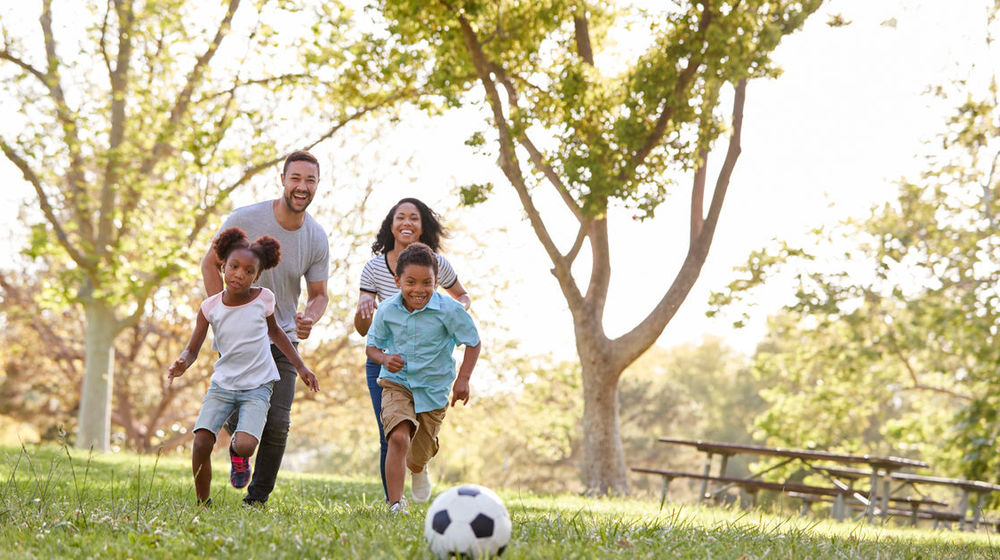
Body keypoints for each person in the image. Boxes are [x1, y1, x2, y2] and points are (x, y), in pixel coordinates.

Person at [201, 150, 330, 507]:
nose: (302, 186)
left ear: (317, 185)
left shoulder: (316, 237)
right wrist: (222, 313)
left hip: (282, 335)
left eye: (310, 180)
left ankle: (256, 499)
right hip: (239, 338)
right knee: (235, 413)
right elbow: (210, 264)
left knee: (278, 422)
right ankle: (239, 448)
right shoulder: (245, 218)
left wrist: (310, 317)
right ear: (283, 180)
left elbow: (320, 295)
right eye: (296, 178)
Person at [169, 228, 320, 506]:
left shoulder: (264, 299)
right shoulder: (210, 307)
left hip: (257, 387)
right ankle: (203, 503)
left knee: (246, 445)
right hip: (222, 385)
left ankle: (238, 455)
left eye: (249, 271)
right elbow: (192, 348)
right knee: (202, 441)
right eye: (234, 267)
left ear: (257, 276)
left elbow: (276, 333)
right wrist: (182, 363)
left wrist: (301, 367)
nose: (239, 274)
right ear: (223, 266)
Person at [353, 198, 471, 502]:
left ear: (422, 226)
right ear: (391, 224)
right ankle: (393, 501)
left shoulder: (438, 265)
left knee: (418, 444)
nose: (407, 223)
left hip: (432, 370)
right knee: (394, 434)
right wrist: (364, 307)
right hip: (390, 365)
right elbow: (366, 333)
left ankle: (418, 466)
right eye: (400, 217)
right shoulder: (374, 268)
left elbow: (462, 298)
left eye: (414, 218)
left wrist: (454, 313)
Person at [365, 242, 481, 513]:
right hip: (397, 382)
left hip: (433, 387)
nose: (419, 289)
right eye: (411, 282)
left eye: (427, 282)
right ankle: (395, 504)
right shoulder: (387, 310)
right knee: (398, 438)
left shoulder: (450, 310)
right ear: (397, 280)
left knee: (417, 455)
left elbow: (473, 342)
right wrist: (385, 359)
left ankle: (419, 468)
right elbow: (372, 347)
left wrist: (463, 380)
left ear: (436, 280)